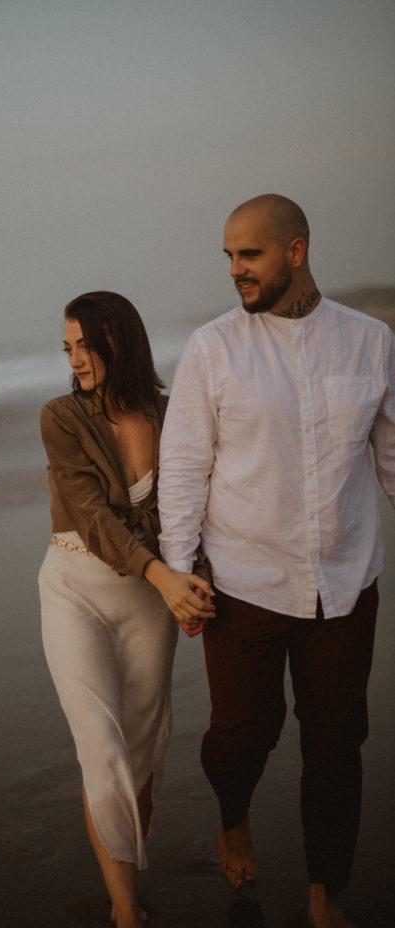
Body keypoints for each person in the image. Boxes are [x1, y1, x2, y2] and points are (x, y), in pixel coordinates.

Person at [157, 194, 395, 928]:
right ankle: (233, 813)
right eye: (228, 256)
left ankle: (326, 895)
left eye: (249, 254)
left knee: (334, 742)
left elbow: (389, 453)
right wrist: (176, 573)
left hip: (345, 582)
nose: (235, 270)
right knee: (241, 737)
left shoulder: (369, 341)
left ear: (294, 251)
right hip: (242, 583)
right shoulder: (213, 348)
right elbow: (184, 464)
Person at [38, 290, 214, 928]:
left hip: (151, 596)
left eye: (87, 345)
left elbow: (195, 508)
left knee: (142, 746)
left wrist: (193, 583)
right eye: (69, 348)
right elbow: (90, 513)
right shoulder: (60, 416)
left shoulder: (173, 415)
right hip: (75, 587)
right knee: (100, 744)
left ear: (122, 343)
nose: (76, 359)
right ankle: (124, 912)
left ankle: (126, 885)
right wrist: (164, 575)